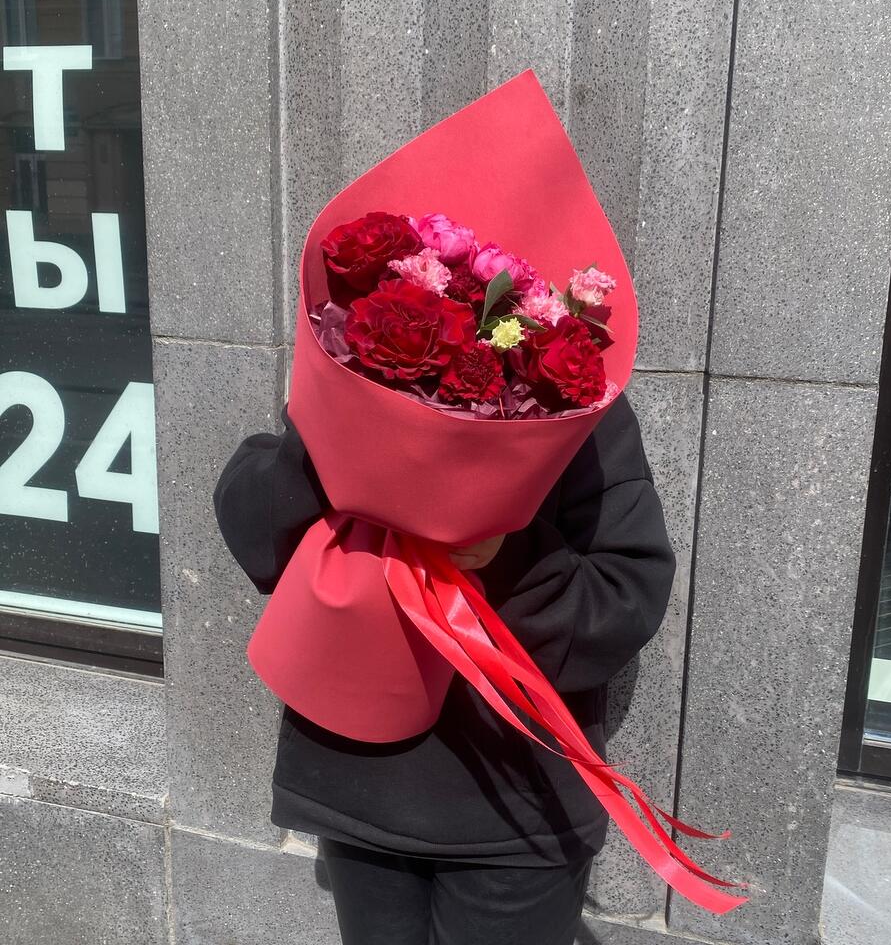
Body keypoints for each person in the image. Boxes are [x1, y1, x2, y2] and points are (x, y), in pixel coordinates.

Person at [213, 389, 676, 945]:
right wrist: (336, 444)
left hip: (517, 816)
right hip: (360, 786)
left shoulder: (573, 396)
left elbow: (626, 598)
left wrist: (508, 558)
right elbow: (257, 531)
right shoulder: (361, 373)